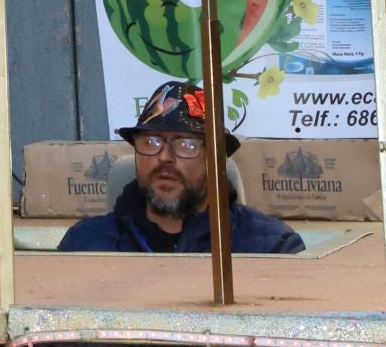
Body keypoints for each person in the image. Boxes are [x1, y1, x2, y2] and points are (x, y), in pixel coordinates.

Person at [59, 82, 305, 255]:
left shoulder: (271, 248)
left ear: (216, 159)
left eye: (187, 144)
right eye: (152, 142)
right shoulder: (85, 245)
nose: (165, 157)